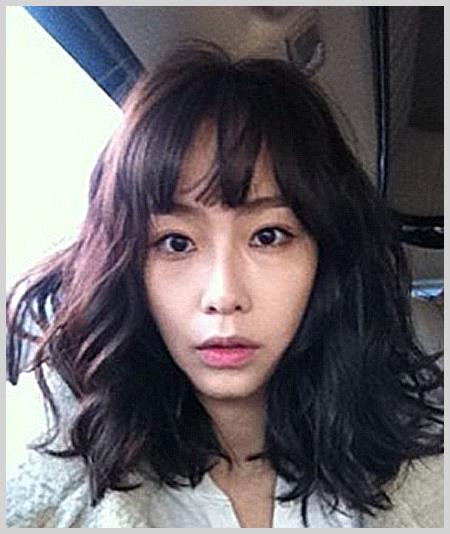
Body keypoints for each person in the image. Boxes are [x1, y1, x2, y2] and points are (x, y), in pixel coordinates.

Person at [6, 41, 443, 528]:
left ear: (326, 255)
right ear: (128, 266)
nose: (223, 296)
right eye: (175, 243)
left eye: (268, 236)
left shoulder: (425, 486)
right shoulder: (53, 499)